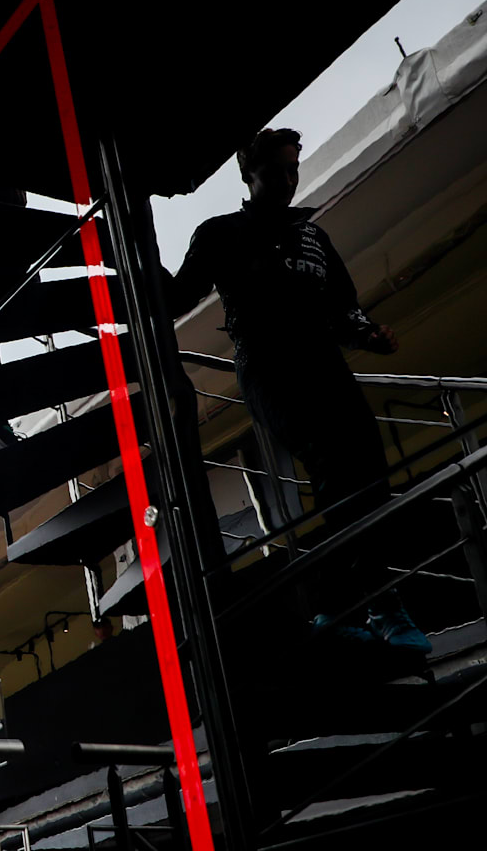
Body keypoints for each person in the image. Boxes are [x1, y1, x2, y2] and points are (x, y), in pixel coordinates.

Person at [168, 128, 429, 655]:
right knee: (335, 466)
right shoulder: (220, 233)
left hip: (322, 360)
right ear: (249, 174)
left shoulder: (313, 235)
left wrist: (369, 335)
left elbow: (343, 307)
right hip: (269, 364)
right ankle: (361, 604)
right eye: (278, 170)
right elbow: (174, 297)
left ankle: (356, 605)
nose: (289, 179)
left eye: (294, 169)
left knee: (369, 472)